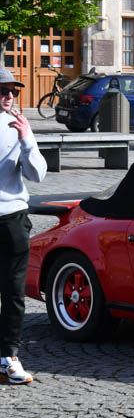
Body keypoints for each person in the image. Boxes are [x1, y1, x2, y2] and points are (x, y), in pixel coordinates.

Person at [0, 67, 47, 385]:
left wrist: (28, 140)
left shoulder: (18, 126)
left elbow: (37, 174)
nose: (9, 96)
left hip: (13, 219)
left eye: (13, 91)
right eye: (3, 90)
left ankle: (8, 358)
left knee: (14, 293)